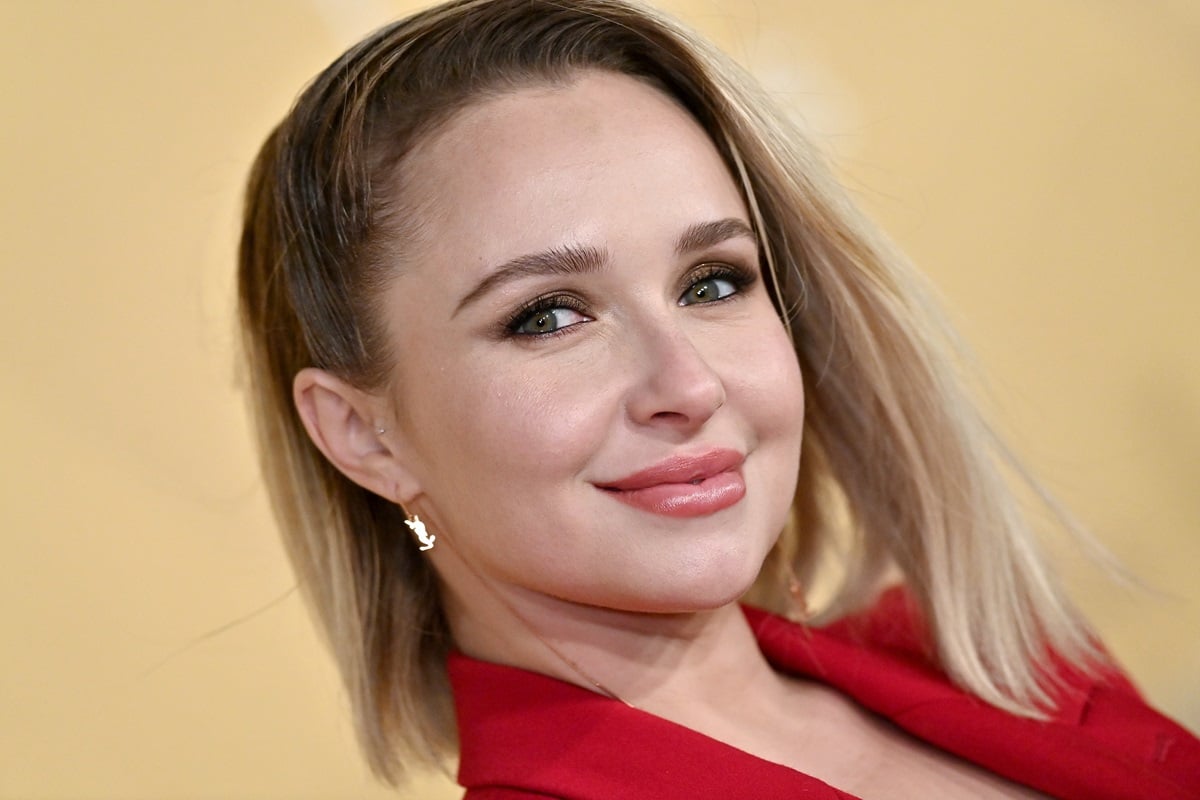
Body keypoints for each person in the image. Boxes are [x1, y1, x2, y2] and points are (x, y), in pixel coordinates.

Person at [236, 1, 1200, 797]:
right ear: (365, 435)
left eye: (713, 283)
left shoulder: (995, 659)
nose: (688, 385)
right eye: (548, 317)